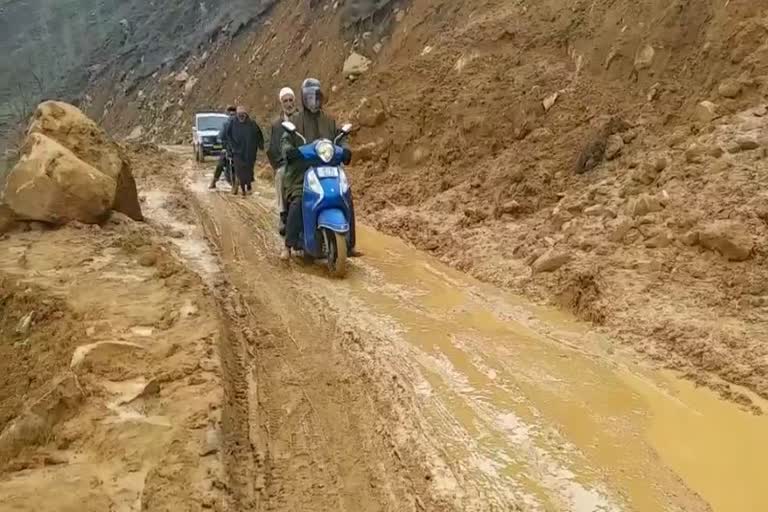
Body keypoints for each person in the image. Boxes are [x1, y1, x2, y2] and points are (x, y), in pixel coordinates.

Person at [280, 78, 359, 260]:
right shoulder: (296, 121)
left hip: (328, 171)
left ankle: (350, 244)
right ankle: (288, 245)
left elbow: (339, 138)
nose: (313, 101)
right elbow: (286, 140)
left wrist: (345, 150)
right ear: (303, 99)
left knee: (345, 196)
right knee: (299, 201)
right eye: (309, 97)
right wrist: (290, 152)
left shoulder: (329, 121)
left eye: (316, 97)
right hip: (301, 174)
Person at [267, 87, 297, 234]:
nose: (289, 103)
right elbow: (272, 149)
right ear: (281, 104)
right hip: (285, 164)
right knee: (280, 175)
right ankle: (283, 214)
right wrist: (281, 163)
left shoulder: (302, 120)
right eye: (285, 101)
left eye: (291, 100)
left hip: (303, 161)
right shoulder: (276, 125)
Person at [224, 106, 264, 196]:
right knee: (239, 171)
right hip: (237, 152)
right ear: (237, 115)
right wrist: (231, 147)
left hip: (250, 152)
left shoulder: (252, 124)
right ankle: (243, 190)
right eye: (239, 115)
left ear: (246, 115)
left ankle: (249, 185)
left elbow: (259, 135)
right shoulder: (232, 123)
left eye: (243, 115)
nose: (241, 116)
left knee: (249, 170)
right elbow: (228, 135)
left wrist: (260, 146)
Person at [209, 105, 237, 189]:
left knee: (220, 164)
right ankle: (213, 181)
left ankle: (213, 182)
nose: (232, 116)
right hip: (234, 149)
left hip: (231, 148)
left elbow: (220, 136)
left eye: (232, 114)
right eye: (231, 114)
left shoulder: (226, 124)